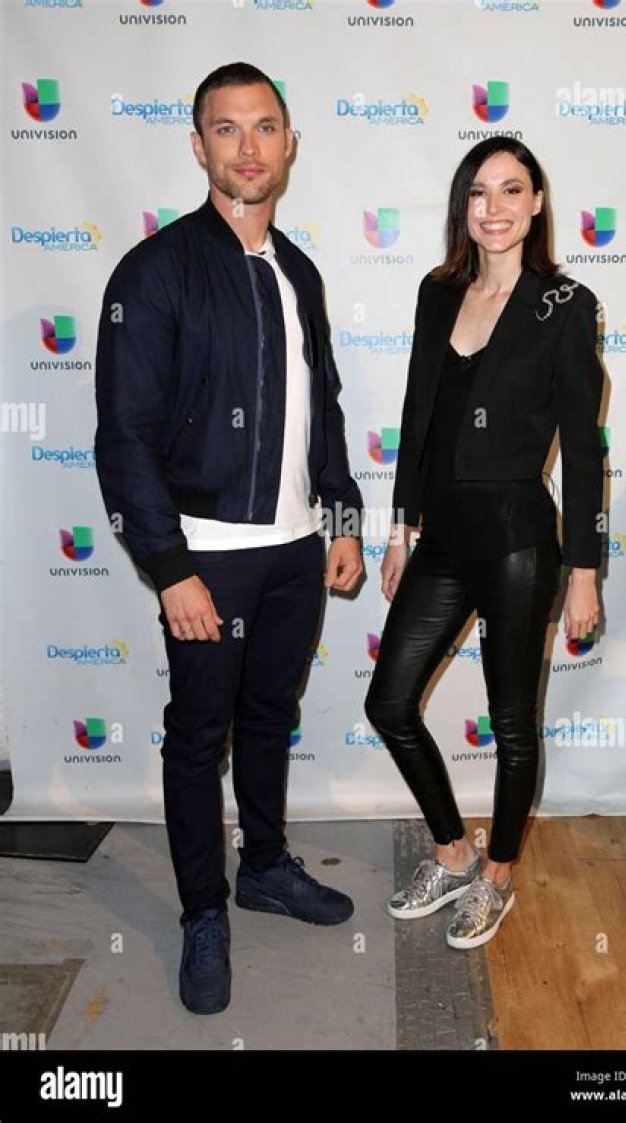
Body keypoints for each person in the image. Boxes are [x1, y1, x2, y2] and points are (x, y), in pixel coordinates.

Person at [94, 62, 364, 1014]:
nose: (248, 148)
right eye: (226, 128)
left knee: (268, 715)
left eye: (264, 128)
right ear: (198, 145)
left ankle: (267, 866)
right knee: (196, 736)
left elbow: (324, 410)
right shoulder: (154, 271)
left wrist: (339, 519)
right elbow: (124, 436)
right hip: (204, 554)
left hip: (295, 551)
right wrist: (171, 569)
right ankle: (203, 912)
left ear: (289, 144)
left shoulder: (301, 272)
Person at [365, 137, 604, 950]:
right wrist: (399, 528)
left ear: (536, 203)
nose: (493, 207)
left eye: (511, 189)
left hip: (517, 543)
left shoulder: (564, 304)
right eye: (478, 191)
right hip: (442, 538)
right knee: (388, 702)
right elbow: (415, 414)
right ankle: (453, 852)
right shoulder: (439, 294)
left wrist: (584, 571)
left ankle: (497, 876)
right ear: (462, 205)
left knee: (512, 725)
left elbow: (584, 447)